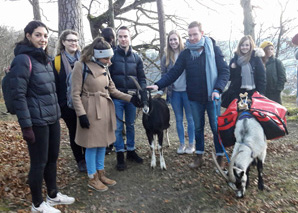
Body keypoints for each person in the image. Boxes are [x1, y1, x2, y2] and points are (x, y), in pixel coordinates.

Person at [9, 20, 75, 213]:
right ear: (28, 36)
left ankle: (52, 195)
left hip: (52, 118)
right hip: (36, 121)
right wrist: (26, 126)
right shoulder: (23, 60)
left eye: (45, 36)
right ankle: (37, 204)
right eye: (38, 35)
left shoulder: (45, 59)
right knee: (39, 163)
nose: (43, 39)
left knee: (52, 158)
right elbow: (18, 95)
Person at [147, 21, 229, 169]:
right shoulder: (186, 54)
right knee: (198, 128)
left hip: (212, 97)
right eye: (189, 35)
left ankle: (220, 156)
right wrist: (159, 84)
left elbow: (224, 72)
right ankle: (199, 156)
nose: (192, 38)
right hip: (195, 98)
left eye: (195, 34)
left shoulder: (213, 49)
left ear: (202, 33)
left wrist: (218, 89)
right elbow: (174, 72)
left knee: (216, 128)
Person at [71, 37, 142, 191]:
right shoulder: (81, 66)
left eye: (110, 58)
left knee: (103, 142)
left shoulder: (104, 67)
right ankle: (92, 177)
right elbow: (75, 94)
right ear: (96, 55)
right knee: (91, 145)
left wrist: (131, 99)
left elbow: (113, 90)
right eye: (107, 58)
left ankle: (101, 172)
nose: (110, 61)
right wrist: (81, 114)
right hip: (89, 109)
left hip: (105, 109)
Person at [109, 26, 147, 171]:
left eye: (126, 36)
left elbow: (142, 78)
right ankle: (120, 154)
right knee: (118, 128)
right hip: (116, 97)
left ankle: (131, 150)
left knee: (130, 125)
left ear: (130, 38)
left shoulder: (137, 58)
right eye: (120, 36)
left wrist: (142, 95)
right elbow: (107, 78)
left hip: (132, 98)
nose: (123, 39)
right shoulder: (111, 56)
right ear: (117, 38)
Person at [156, 30, 195, 154]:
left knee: (190, 118)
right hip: (174, 93)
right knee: (178, 119)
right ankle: (182, 144)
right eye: (170, 40)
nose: (173, 42)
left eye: (175, 39)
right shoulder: (165, 57)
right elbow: (164, 75)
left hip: (188, 91)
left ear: (179, 40)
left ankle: (191, 144)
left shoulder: (187, 53)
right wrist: (160, 90)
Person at [53, 29, 86, 172]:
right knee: (74, 132)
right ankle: (80, 160)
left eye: (75, 40)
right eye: (70, 40)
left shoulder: (84, 59)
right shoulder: (57, 62)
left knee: (86, 129)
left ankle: (88, 156)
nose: (73, 43)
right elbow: (54, 84)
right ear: (63, 42)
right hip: (66, 105)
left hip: (85, 102)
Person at [221, 35, 266, 108]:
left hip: (252, 93)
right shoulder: (234, 60)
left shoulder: (256, 59)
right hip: (236, 94)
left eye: (247, 45)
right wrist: (232, 68)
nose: (244, 47)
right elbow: (229, 78)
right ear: (239, 46)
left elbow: (261, 78)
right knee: (237, 116)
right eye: (242, 45)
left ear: (250, 46)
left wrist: (260, 93)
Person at [101, 27, 117, 155]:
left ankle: (110, 144)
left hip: (109, 87)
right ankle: (109, 143)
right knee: (109, 119)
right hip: (106, 88)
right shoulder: (110, 51)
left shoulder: (112, 51)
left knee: (109, 119)